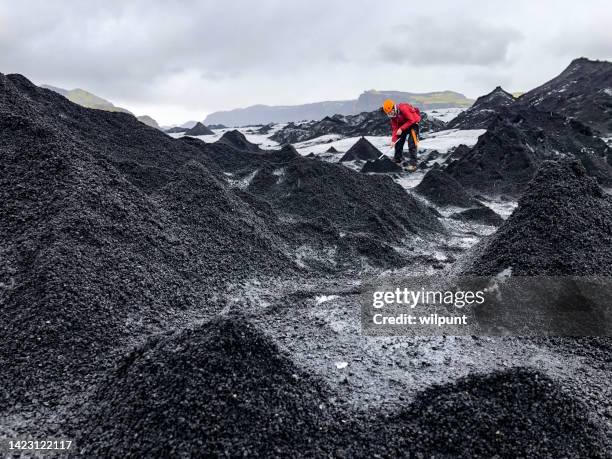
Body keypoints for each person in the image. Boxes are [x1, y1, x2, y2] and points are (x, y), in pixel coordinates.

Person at [382, 99, 421, 172]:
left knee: (412, 142)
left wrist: (401, 128)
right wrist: (393, 141)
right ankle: (397, 160)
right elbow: (395, 130)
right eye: (388, 113)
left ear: (394, 108)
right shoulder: (393, 118)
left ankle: (413, 164)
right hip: (404, 125)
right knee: (398, 141)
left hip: (413, 123)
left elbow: (411, 120)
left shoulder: (403, 108)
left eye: (391, 112)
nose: (391, 114)